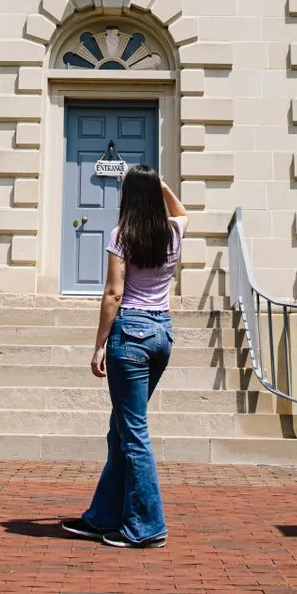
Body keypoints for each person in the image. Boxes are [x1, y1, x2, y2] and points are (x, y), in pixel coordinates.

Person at [63, 164, 186, 548]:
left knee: (133, 434)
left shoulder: (123, 235)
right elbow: (182, 212)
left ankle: (148, 526)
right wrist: (162, 185)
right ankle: (102, 516)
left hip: (130, 334)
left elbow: (114, 294)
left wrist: (99, 344)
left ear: (127, 197)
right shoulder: (173, 231)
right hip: (161, 332)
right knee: (121, 430)